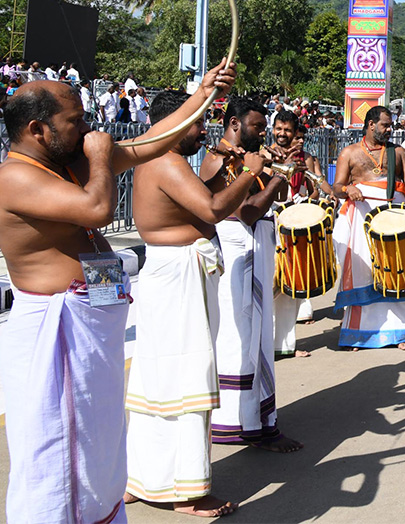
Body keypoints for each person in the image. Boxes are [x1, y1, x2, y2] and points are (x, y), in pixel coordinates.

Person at [0, 59, 235, 524]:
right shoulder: (15, 177)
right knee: (61, 452)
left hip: (89, 330)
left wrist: (202, 93)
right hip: (57, 335)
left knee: (98, 444)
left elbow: (151, 144)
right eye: (77, 121)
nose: (89, 129)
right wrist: (104, 154)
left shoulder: (66, 163)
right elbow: (97, 209)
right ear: (38, 130)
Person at [124, 90, 268, 517]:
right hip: (177, 279)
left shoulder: (163, 159)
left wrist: (231, 171)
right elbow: (211, 208)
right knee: (186, 377)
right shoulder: (165, 160)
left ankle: (145, 479)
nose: (203, 130)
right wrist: (249, 174)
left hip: (175, 276)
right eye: (196, 122)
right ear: (175, 120)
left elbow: (196, 203)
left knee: (160, 377)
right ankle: (187, 491)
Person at [198, 97, 302, 453]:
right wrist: (272, 175)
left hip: (257, 249)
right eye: (257, 127)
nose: (263, 133)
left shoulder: (249, 159)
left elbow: (281, 195)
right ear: (234, 124)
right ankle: (237, 423)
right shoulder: (217, 161)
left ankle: (260, 422)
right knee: (238, 335)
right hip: (238, 250)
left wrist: (283, 171)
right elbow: (248, 213)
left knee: (259, 335)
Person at [330, 105, 405, 349]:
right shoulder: (349, 153)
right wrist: (348, 189)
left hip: (395, 217)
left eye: (390, 125)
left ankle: (398, 334)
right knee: (365, 270)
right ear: (371, 124)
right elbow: (336, 186)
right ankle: (360, 335)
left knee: (396, 269)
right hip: (361, 218)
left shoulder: (397, 152)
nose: (390, 129)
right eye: (385, 125)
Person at [271, 109, 333, 358]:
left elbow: (316, 185)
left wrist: (330, 195)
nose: (283, 134)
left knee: (292, 284)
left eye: (288, 130)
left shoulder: (305, 159)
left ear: (296, 132)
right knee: (270, 284)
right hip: (270, 221)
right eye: (279, 129)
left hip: (295, 222)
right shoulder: (265, 155)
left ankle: (284, 345)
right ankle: (264, 341)